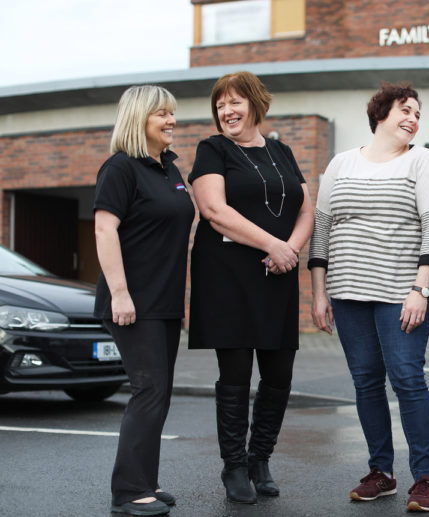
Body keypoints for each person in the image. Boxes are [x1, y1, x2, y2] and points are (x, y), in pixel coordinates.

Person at [309, 83, 429, 513]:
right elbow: (322, 227)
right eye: (405, 110)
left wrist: (420, 288)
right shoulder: (341, 162)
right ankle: (381, 473)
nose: (412, 119)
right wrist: (319, 293)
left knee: (407, 379)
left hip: (400, 294)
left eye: (418, 114)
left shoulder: (421, 160)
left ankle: (424, 478)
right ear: (380, 114)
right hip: (348, 292)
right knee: (366, 382)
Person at [187, 71, 313, 504]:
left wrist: (290, 251)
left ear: (256, 104)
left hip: (276, 276)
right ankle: (234, 467)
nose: (226, 111)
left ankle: (260, 459)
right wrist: (274, 245)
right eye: (220, 105)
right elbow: (213, 210)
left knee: (279, 375)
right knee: (236, 374)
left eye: (235, 101)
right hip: (228, 277)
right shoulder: (212, 149)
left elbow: (306, 210)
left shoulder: (282, 150)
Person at [94, 85, 194, 516]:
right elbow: (104, 230)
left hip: (165, 300)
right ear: (139, 120)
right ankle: (128, 492)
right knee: (148, 390)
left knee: (160, 394)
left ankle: (146, 483)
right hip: (133, 302)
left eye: (172, 114)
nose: (171, 120)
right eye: (161, 115)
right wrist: (119, 292)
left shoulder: (169, 169)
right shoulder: (120, 168)